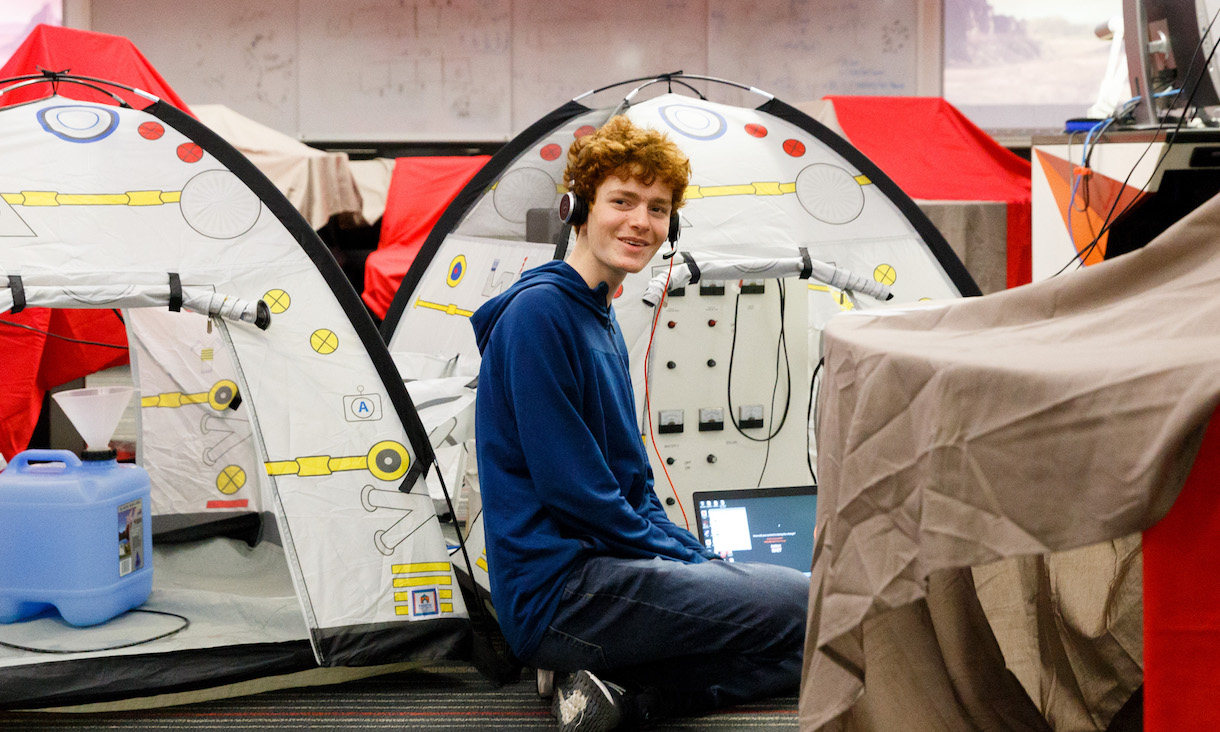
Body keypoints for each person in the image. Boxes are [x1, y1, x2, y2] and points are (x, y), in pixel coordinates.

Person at [471, 115, 809, 731]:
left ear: (670, 226)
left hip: (611, 574)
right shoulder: (539, 316)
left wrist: (696, 561)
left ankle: (628, 693)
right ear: (578, 208)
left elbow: (636, 490)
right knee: (818, 604)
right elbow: (580, 499)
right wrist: (698, 568)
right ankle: (594, 662)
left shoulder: (599, 321)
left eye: (657, 209)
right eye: (622, 201)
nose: (640, 222)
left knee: (810, 636)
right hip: (563, 593)